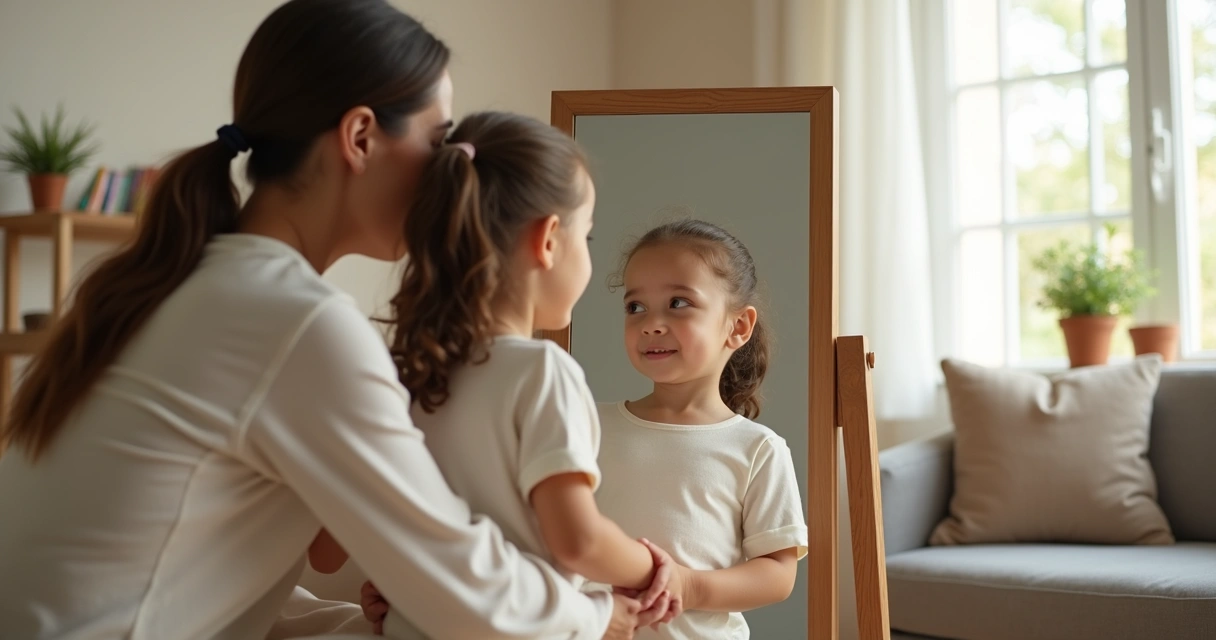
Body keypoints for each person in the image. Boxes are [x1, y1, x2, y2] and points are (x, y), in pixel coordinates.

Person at [0, 1, 653, 638]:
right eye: (436, 139)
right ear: (361, 136)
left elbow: (182, 574)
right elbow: (469, 593)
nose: (451, 168)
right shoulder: (293, 323)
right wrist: (596, 616)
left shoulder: (188, 282)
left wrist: (359, 621)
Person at [308, 111, 682, 639]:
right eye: (588, 238)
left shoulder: (400, 374)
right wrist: (652, 568)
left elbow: (325, 551)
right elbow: (576, 542)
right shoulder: (542, 373)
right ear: (549, 239)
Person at [594, 219, 808, 639]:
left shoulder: (757, 448)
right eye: (635, 307)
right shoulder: (588, 424)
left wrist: (689, 586)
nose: (651, 323)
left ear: (738, 327)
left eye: (678, 303)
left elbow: (778, 573)